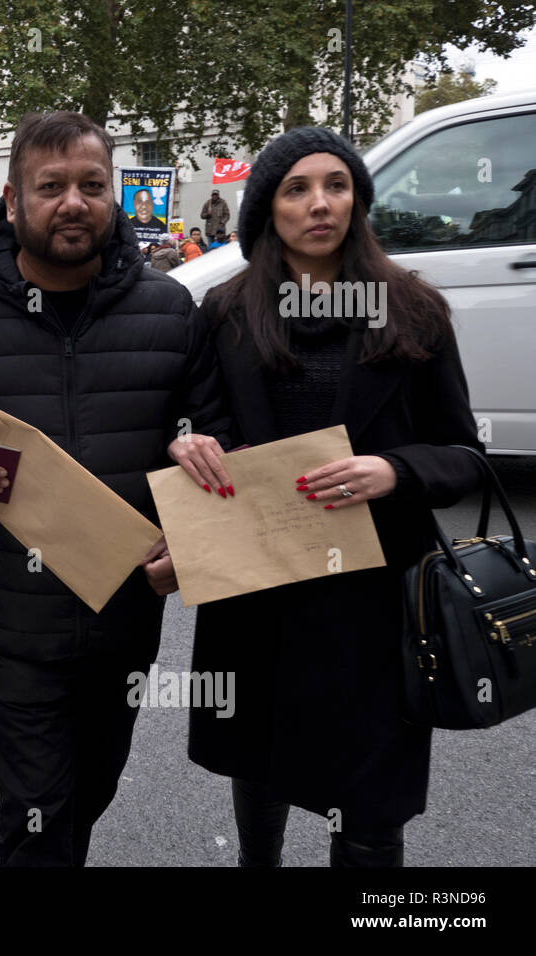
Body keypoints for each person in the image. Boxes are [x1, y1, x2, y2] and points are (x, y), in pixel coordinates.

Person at [0, 110, 231, 866]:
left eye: (92, 185)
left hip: (124, 624)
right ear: (12, 199)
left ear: (114, 196)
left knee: (88, 795)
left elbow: (216, 448)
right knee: (36, 810)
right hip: (11, 628)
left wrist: (190, 544)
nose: (73, 202)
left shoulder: (169, 309)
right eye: (51, 186)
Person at [180, 126, 484, 867]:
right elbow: (203, 430)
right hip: (262, 589)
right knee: (260, 766)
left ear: (358, 200)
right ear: (265, 213)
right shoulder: (223, 313)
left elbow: (464, 456)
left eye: (337, 185)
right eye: (297, 189)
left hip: (375, 600)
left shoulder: (414, 310)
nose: (321, 204)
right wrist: (192, 444)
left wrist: (395, 471)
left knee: (373, 805)